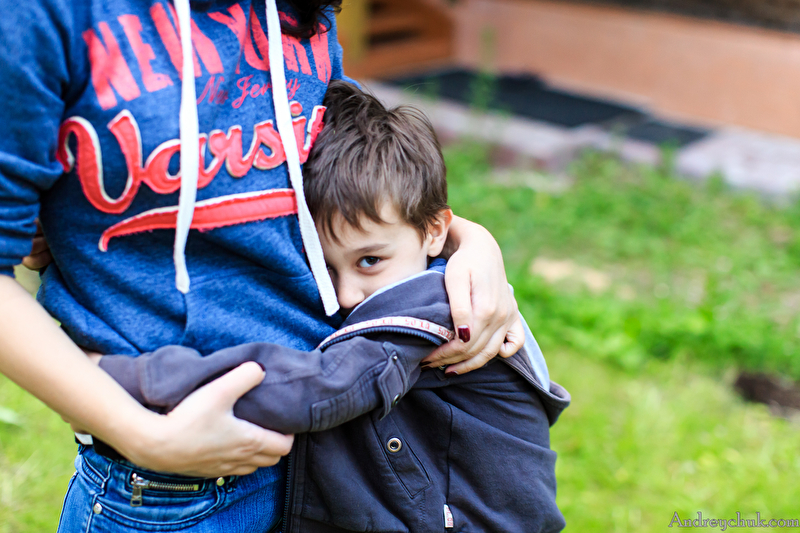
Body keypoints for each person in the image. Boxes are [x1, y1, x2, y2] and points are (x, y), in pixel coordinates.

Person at [0, 2, 524, 532]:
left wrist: (469, 241)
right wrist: (142, 435)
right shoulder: (43, 15)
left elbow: (346, 177)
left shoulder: (301, 9)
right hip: (167, 486)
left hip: (337, 450)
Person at [92, 80, 571, 532]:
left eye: (369, 261)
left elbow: (315, 390)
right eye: (325, 267)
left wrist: (123, 377)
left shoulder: (434, 305)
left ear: (434, 232)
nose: (345, 295)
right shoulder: (415, 268)